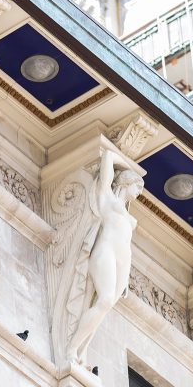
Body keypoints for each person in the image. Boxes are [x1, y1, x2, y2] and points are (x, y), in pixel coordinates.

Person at [64, 149, 144, 368]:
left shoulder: (130, 218)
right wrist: (129, 164)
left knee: (105, 307)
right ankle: (71, 347)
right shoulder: (107, 197)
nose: (139, 193)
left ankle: (83, 352)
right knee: (105, 300)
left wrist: (125, 276)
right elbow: (108, 155)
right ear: (127, 183)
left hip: (122, 262)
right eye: (138, 186)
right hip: (105, 252)